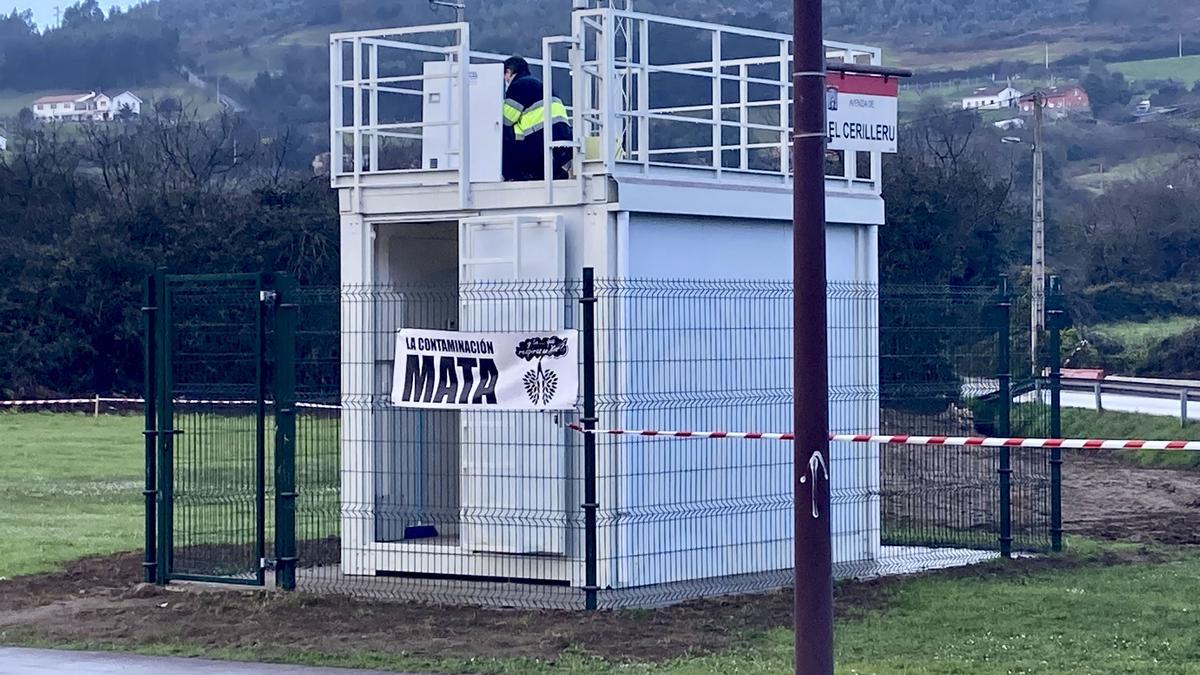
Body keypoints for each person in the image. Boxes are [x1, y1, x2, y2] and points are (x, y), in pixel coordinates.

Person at [502, 56, 573, 181]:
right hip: (560, 135)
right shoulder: (538, 84)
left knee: (505, 138)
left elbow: (506, 119)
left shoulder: (519, 85)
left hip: (540, 137)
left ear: (508, 72)